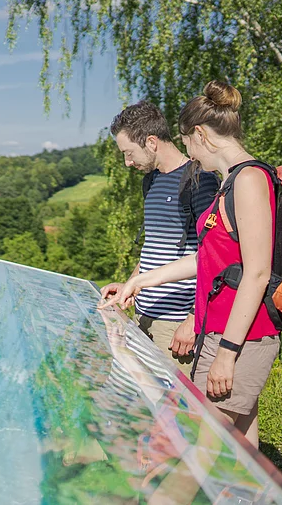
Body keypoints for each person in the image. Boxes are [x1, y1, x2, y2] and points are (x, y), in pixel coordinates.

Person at [100, 82, 279, 448]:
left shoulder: (244, 179)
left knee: (193, 446)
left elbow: (257, 272)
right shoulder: (230, 181)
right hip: (219, 326)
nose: (190, 154)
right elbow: (207, 258)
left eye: (188, 143)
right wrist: (139, 282)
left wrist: (223, 351)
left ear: (200, 134)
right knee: (237, 443)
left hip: (235, 333)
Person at [104, 101, 219, 372]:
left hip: (176, 325)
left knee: (177, 409)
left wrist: (193, 320)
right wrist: (128, 285)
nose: (127, 162)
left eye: (129, 152)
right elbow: (154, 249)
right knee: (146, 403)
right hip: (143, 316)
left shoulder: (201, 181)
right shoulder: (151, 181)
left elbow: (213, 258)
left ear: (152, 142)